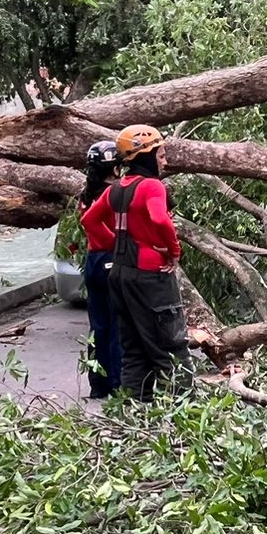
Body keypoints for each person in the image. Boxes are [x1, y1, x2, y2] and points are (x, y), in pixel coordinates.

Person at [81, 125, 190, 401]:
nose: (165, 162)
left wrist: (117, 244)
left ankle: (133, 409)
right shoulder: (152, 186)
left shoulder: (118, 188)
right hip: (151, 275)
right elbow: (160, 219)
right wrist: (173, 251)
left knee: (133, 351)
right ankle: (183, 408)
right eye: (161, 155)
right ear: (147, 155)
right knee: (171, 348)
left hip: (120, 274)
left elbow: (89, 219)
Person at [78, 140, 124, 398]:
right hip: (110, 258)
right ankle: (118, 384)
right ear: (115, 168)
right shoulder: (113, 194)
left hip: (93, 261)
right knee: (118, 325)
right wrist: (117, 243)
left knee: (98, 325)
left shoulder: (86, 194)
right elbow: (92, 222)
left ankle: (98, 384)